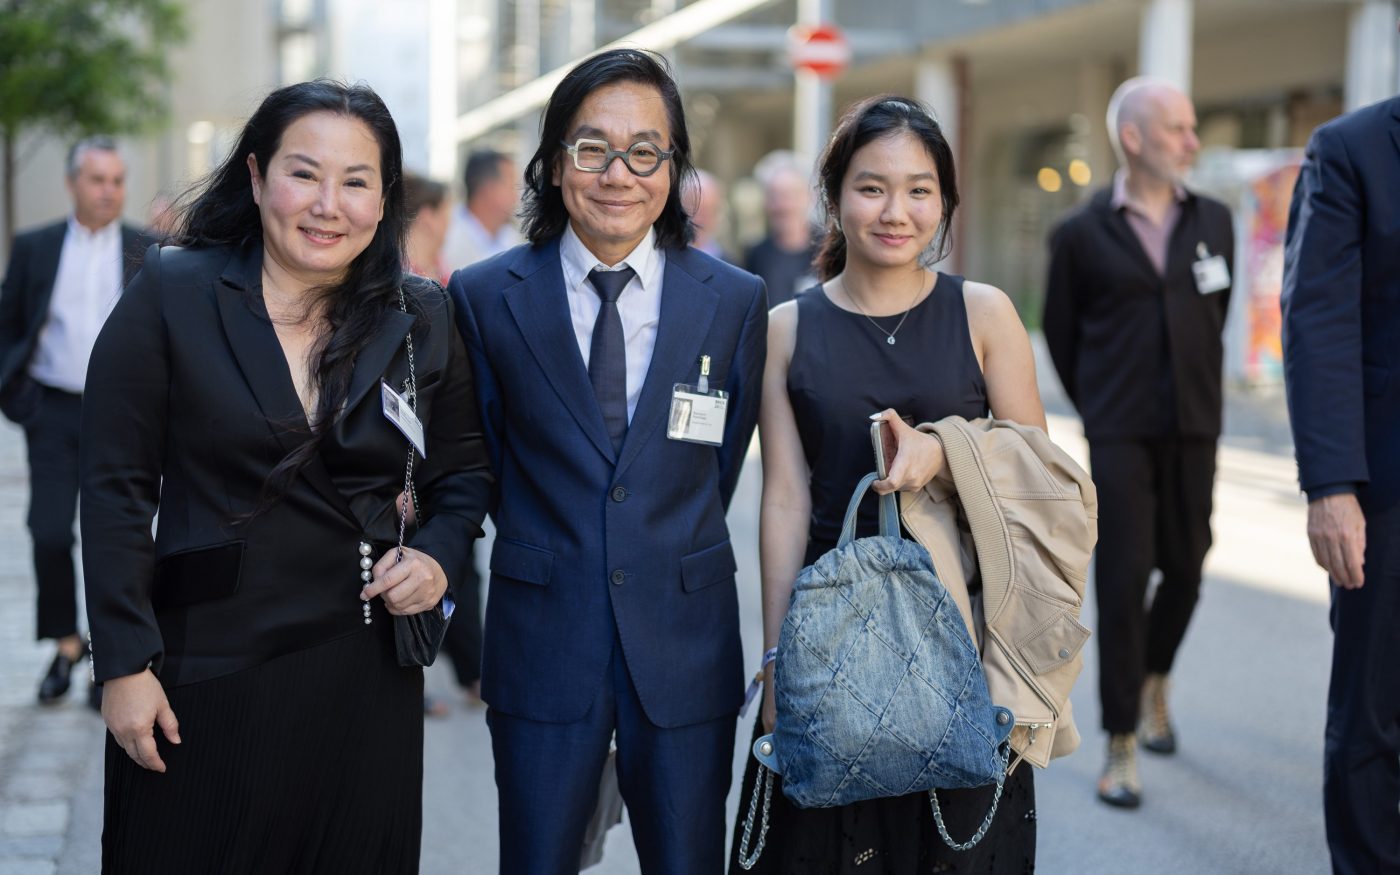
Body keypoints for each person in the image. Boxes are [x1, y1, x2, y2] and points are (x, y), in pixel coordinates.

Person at [80, 80, 492, 873]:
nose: (327, 205)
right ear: (257, 174)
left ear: (384, 200)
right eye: (304, 174)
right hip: (201, 666)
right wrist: (124, 664)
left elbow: (465, 470)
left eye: (356, 181)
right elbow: (114, 486)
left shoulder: (419, 315)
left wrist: (438, 555)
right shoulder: (173, 290)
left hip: (362, 670)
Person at [450, 48, 766, 874]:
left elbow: (718, 464)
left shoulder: (735, 301)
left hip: (684, 642)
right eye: (592, 149)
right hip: (543, 636)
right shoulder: (483, 296)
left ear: (673, 167)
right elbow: (486, 459)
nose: (618, 174)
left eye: (645, 151)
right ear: (556, 163)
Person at [731, 94, 1042, 875]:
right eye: (871, 187)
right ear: (834, 197)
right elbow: (785, 498)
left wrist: (945, 451)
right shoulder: (787, 328)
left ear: (945, 202)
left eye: (918, 190)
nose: (895, 211)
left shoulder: (985, 314)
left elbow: (1039, 476)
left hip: (965, 638)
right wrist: (775, 659)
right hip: (831, 641)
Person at [1042, 77, 1233, 809]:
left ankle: (1156, 675)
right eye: (1178, 128)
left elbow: (1212, 311)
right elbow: (1061, 332)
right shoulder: (1080, 233)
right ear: (1134, 137)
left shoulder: (1214, 219)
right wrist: (1100, 406)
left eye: (1191, 127)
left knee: (1187, 565)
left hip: (1196, 423)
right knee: (1123, 580)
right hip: (1119, 431)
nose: (1192, 141)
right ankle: (1121, 737)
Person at [1282, 92, 1400, 874]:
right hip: (1386, 482)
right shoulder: (1352, 149)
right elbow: (1317, 319)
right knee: (1374, 709)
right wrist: (1331, 487)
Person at [0, 136, 153, 708]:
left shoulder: (148, 250)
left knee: (118, 536)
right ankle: (67, 643)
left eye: (117, 180)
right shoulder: (35, 246)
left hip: (121, 416)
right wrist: (20, 401)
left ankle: (108, 657)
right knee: (48, 530)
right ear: (72, 184)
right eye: (97, 179)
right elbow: (8, 323)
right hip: (54, 412)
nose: (109, 191)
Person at [744, 150, 819, 308]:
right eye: (773, 196)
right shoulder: (756, 255)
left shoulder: (830, 250)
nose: (782, 206)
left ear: (810, 197)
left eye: (789, 195)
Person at [441, 148, 521, 269]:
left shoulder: (511, 238)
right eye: (511, 187)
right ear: (487, 189)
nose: (516, 197)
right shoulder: (446, 240)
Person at [404, 172, 452, 284]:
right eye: (445, 213)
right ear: (427, 218)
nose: (449, 223)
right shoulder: (401, 277)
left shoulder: (440, 267)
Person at [685, 168, 731, 261]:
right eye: (695, 209)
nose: (701, 220)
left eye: (709, 211)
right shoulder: (662, 257)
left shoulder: (729, 263)